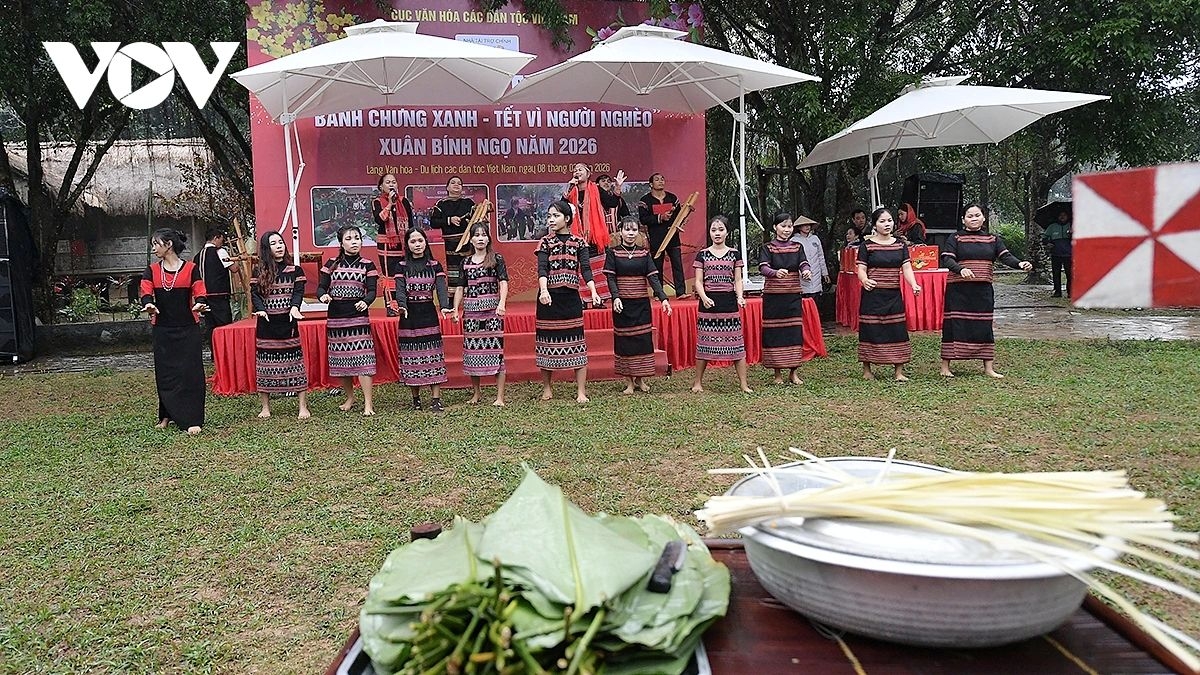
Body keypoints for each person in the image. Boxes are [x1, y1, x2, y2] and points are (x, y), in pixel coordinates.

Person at [939, 204, 1033, 378]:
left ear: (983, 218)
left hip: (983, 291)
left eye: (977, 215)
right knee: (954, 325)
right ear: (963, 220)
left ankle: (988, 368)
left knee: (984, 326)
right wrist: (960, 269)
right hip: (958, 291)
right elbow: (947, 259)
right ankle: (945, 367)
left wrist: (1020, 264)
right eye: (969, 216)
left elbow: (1005, 256)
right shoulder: (955, 238)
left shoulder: (993, 239)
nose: (973, 219)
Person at [140, 228, 208, 435]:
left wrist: (200, 304)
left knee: (191, 373)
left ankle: (192, 418)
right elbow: (146, 292)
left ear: (168, 244)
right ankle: (166, 416)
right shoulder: (151, 270)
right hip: (163, 330)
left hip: (188, 329)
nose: (153, 249)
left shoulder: (191, 268)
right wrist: (149, 305)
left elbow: (200, 291)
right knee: (166, 374)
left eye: (156, 244)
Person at [535, 200, 603, 403]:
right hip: (548, 299)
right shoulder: (545, 242)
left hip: (571, 298)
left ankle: (581, 391)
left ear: (567, 218)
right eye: (549, 216)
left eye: (555, 216)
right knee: (546, 343)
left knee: (577, 344)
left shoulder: (579, 242)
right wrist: (544, 291)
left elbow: (586, 269)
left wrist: (593, 291)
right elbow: (542, 269)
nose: (551, 220)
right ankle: (547, 388)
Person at [604, 216, 672, 394]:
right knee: (625, 341)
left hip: (641, 304)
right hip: (622, 305)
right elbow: (610, 278)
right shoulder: (613, 252)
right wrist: (616, 297)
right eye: (627, 229)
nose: (631, 233)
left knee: (642, 341)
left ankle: (640, 380)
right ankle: (628, 382)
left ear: (638, 232)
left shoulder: (644, 253)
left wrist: (663, 298)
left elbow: (653, 278)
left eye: (634, 229)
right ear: (620, 232)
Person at [317, 225, 378, 416]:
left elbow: (372, 291)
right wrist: (323, 297)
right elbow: (321, 288)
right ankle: (350, 398)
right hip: (336, 317)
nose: (354, 242)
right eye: (349, 239)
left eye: (357, 238)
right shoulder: (331, 263)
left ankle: (368, 404)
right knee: (342, 361)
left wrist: (365, 301)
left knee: (364, 358)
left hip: (358, 316)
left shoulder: (368, 264)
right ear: (341, 243)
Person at [394, 228, 456, 412]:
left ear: (425, 243)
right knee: (412, 357)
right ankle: (416, 399)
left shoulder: (434, 265)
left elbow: (441, 289)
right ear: (408, 245)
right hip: (409, 316)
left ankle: (436, 399)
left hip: (428, 313)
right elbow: (400, 290)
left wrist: (444, 306)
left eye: (420, 240)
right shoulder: (401, 266)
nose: (417, 244)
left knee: (433, 355)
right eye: (413, 241)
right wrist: (402, 305)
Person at [856, 208, 922, 381]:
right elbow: (861, 269)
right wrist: (864, 280)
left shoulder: (900, 245)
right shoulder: (866, 245)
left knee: (896, 330)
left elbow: (906, 268)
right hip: (872, 296)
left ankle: (898, 371)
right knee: (871, 329)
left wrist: (914, 284)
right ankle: (867, 370)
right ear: (875, 225)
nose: (887, 224)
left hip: (893, 296)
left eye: (890, 221)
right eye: (882, 221)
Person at [250, 232, 310, 420]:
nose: (279, 246)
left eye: (281, 242)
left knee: (296, 364)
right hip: (266, 324)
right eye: (274, 243)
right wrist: (261, 310)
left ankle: (303, 407)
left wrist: (294, 308)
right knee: (265, 366)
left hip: (288, 323)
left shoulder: (295, 271)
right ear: (267, 249)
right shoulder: (258, 271)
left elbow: (298, 293)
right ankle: (265, 407)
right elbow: (255, 294)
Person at [692, 215, 752, 394]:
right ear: (709, 232)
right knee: (704, 344)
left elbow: (738, 279)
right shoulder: (702, 254)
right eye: (713, 230)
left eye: (720, 230)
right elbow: (698, 281)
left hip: (729, 302)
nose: (717, 233)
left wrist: (740, 297)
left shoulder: (735, 254)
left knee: (736, 344)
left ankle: (743, 384)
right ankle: (697, 383)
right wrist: (703, 297)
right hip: (708, 303)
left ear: (727, 232)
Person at [453, 223, 509, 406]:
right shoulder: (465, 262)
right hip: (471, 313)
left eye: (484, 235)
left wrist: (501, 303)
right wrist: (456, 309)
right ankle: (476, 394)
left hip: (492, 312)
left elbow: (503, 282)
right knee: (472, 352)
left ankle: (499, 397)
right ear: (471, 239)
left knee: (497, 352)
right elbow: (461, 287)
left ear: (488, 238)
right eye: (476, 235)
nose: (480, 238)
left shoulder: (496, 258)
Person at [761, 213, 812, 385]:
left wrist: (806, 271)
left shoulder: (798, 247)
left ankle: (793, 372)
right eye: (783, 226)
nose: (786, 229)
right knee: (775, 333)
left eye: (789, 226)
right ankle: (777, 375)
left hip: (792, 295)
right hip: (773, 297)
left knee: (793, 332)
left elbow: (803, 263)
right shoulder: (767, 248)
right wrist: (775, 273)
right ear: (775, 227)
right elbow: (763, 267)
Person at [564, 163, 622, 302]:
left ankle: (599, 298)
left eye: (580, 169)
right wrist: (568, 190)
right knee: (580, 268)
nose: (577, 172)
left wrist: (618, 187)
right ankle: (582, 299)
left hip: (595, 237)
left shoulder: (596, 189)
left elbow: (612, 203)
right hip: (577, 237)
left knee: (598, 268)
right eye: (575, 170)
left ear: (588, 174)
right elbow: (563, 210)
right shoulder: (571, 192)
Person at [638, 172, 689, 299]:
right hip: (656, 237)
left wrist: (682, 220)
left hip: (673, 236)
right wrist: (660, 217)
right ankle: (658, 293)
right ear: (651, 184)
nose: (660, 181)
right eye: (657, 179)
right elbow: (643, 219)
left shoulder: (672, 198)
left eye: (662, 179)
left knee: (677, 264)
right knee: (657, 266)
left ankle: (681, 292)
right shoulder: (645, 201)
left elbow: (679, 215)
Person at [429, 176, 475, 289]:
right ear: (447, 187)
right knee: (453, 270)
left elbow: (476, 220)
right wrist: (449, 220)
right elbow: (433, 223)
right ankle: (452, 298)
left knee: (470, 268)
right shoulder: (441, 204)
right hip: (451, 243)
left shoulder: (469, 203)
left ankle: (472, 295)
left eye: (459, 183)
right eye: (453, 183)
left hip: (468, 241)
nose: (456, 185)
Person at [192, 227, 233, 345]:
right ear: (216, 238)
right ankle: (226, 352)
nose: (222, 243)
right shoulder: (220, 252)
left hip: (203, 297)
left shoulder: (197, 256)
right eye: (221, 239)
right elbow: (234, 269)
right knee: (224, 325)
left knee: (210, 326)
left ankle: (214, 353)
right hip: (219, 295)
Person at [371, 173, 414, 276]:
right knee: (390, 274)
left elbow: (411, 223)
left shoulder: (404, 201)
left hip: (404, 243)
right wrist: (390, 203)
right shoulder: (377, 202)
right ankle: (390, 293)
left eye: (394, 182)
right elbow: (380, 220)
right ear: (381, 187)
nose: (391, 185)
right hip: (387, 244)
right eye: (388, 182)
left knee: (405, 274)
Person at [790, 215, 829, 299]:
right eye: (804, 225)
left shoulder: (815, 239)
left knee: (817, 299)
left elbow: (821, 257)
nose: (807, 227)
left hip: (816, 273)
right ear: (799, 227)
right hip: (801, 275)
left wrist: (825, 273)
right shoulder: (794, 240)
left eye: (809, 225)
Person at [1042, 209, 1073, 297]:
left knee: (1069, 274)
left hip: (1069, 254)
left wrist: (1072, 233)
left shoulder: (1072, 225)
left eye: (1064, 215)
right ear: (1058, 217)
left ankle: (1070, 292)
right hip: (1055, 254)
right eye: (1060, 215)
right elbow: (1044, 239)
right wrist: (1048, 243)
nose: (1062, 217)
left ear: (1068, 216)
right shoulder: (1052, 227)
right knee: (1056, 273)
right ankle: (1057, 291)